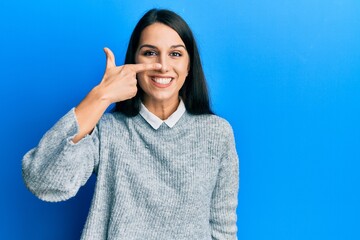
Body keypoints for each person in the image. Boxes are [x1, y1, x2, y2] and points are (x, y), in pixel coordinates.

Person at [22, 8, 239, 240]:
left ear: (189, 65)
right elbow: (41, 179)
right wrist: (100, 97)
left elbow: (222, 228)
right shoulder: (108, 130)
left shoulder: (217, 133)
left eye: (175, 54)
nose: (162, 66)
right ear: (134, 60)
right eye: (150, 53)